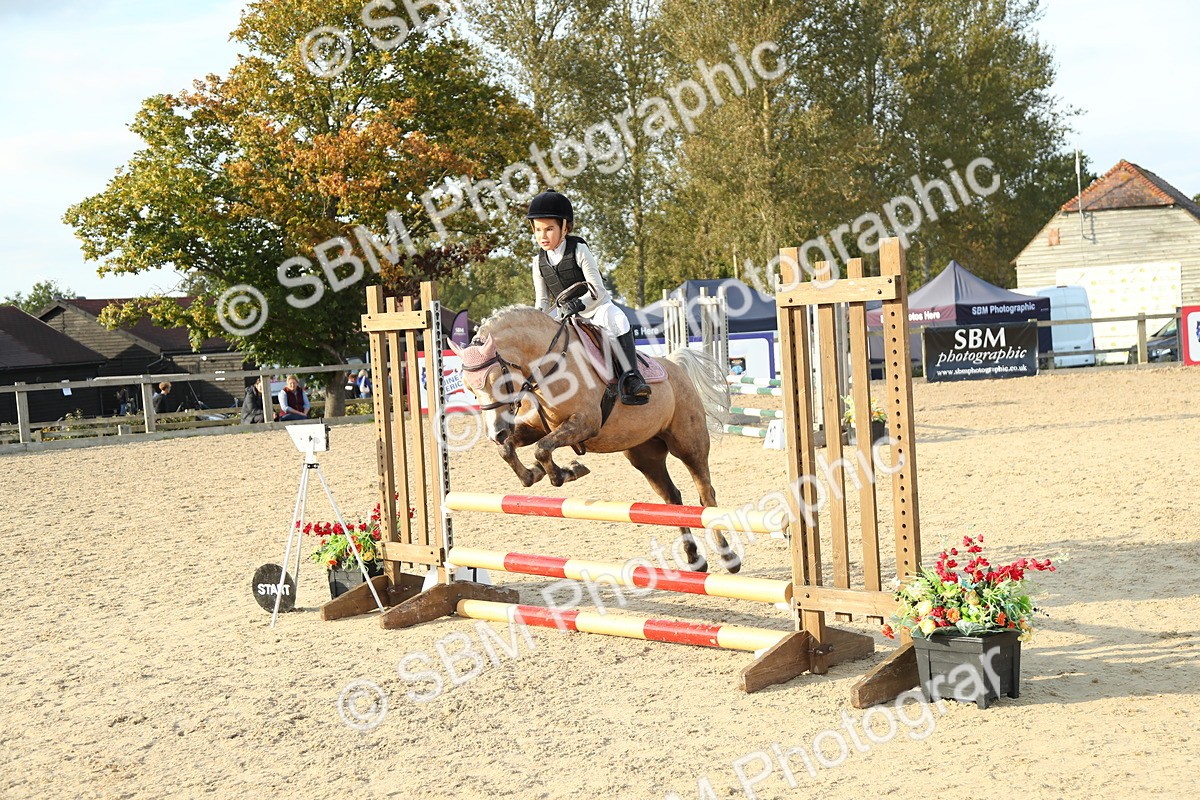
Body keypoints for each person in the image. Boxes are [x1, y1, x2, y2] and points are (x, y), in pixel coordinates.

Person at [526, 189, 650, 405]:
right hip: (566, 315)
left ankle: (631, 378)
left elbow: (597, 289)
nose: (542, 236)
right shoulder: (538, 262)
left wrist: (577, 303)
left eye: (549, 229)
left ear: (565, 227)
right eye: (538, 230)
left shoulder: (579, 249)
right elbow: (542, 302)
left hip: (596, 309)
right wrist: (534, 320)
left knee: (619, 319)